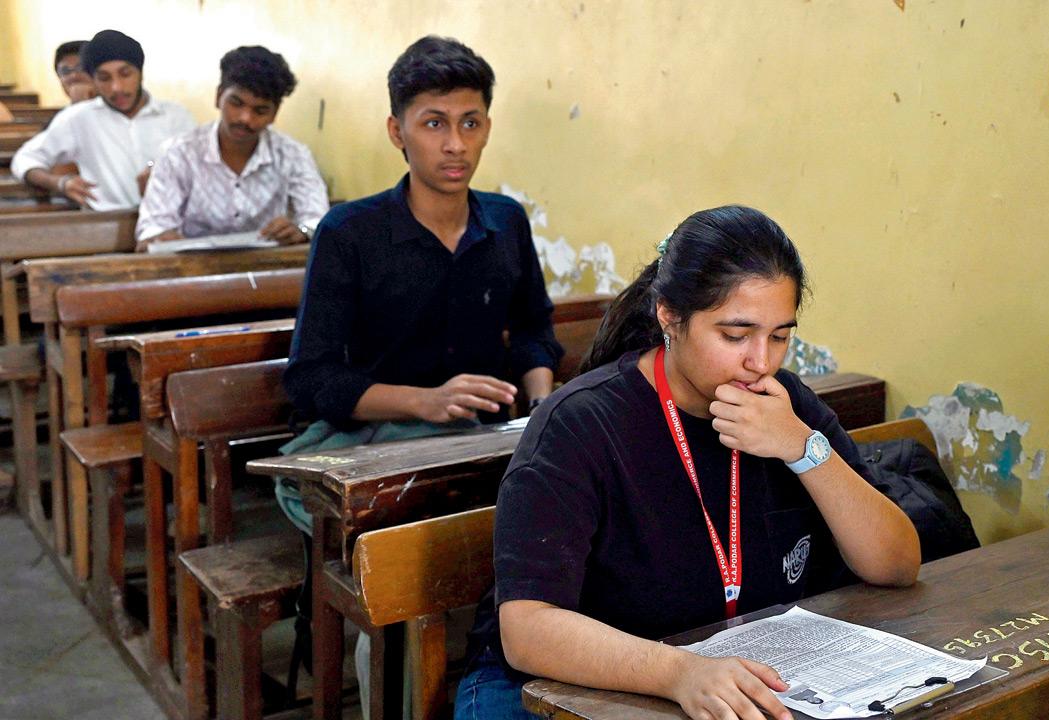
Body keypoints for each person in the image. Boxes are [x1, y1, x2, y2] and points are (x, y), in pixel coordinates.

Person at [457, 206, 922, 720]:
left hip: (721, 673)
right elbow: (527, 630)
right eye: (734, 334)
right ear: (669, 317)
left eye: (780, 335)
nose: (761, 361)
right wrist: (679, 672)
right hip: (556, 689)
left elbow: (897, 565)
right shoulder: (580, 425)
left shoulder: (785, 405)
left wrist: (804, 449)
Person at [279, 35, 562, 717]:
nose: (455, 143)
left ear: (488, 126)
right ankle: (400, 693)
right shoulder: (350, 233)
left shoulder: (506, 221)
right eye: (434, 123)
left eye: (471, 122)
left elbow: (533, 330)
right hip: (375, 446)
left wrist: (542, 406)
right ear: (397, 132)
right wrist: (427, 401)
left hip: (487, 440)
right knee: (409, 575)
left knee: (549, 539)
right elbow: (310, 378)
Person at [134, 45, 328, 249]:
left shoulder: (292, 155)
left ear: (274, 113)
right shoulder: (179, 153)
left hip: (268, 270)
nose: (245, 119)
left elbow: (318, 220)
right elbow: (153, 226)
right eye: (236, 103)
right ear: (219, 97)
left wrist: (302, 231)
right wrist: (161, 238)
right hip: (193, 271)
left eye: (260, 111)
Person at [10, 29, 195, 210]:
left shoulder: (176, 116)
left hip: (172, 225)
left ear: (140, 73)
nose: (116, 87)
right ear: (93, 80)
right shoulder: (79, 118)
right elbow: (24, 159)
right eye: (104, 78)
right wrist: (60, 183)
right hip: (106, 225)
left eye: (125, 74)